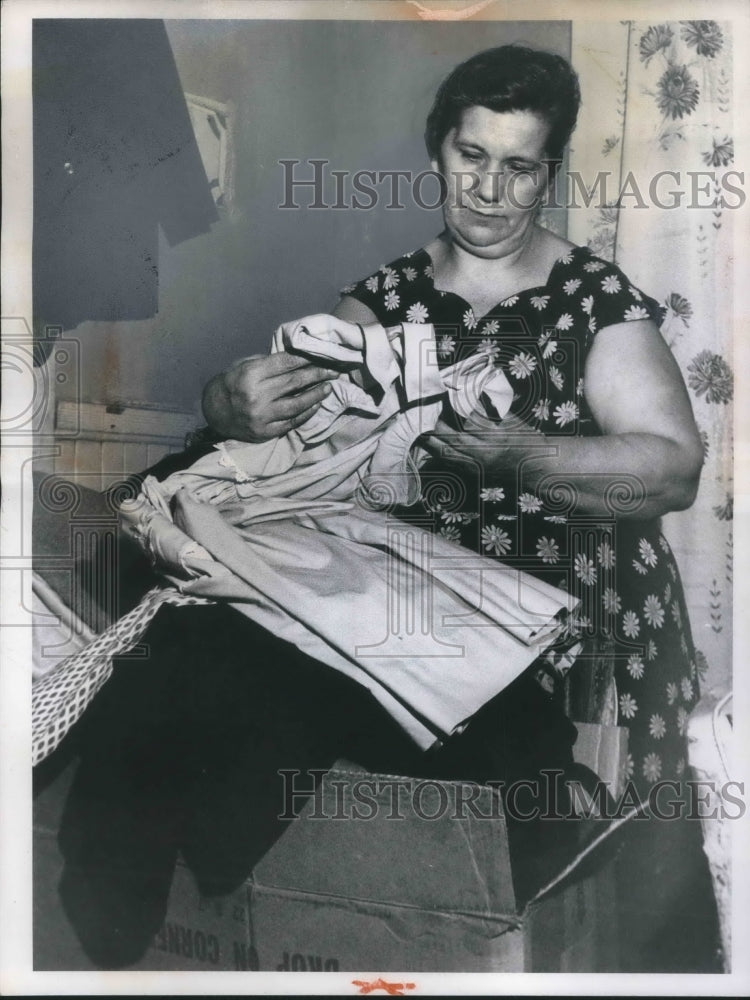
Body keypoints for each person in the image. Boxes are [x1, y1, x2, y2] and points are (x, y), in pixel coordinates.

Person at [54, 44, 717, 971]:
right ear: (438, 149)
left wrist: (526, 456)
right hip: (407, 594)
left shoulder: (594, 300)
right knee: (222, 632)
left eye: (518, 166)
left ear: (549, 175)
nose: (489, 188)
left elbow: (671, 469)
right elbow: (278, 437)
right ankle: (150, 860)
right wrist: (223, 400)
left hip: (559, 613)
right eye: (470, 155)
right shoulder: (387, 295)